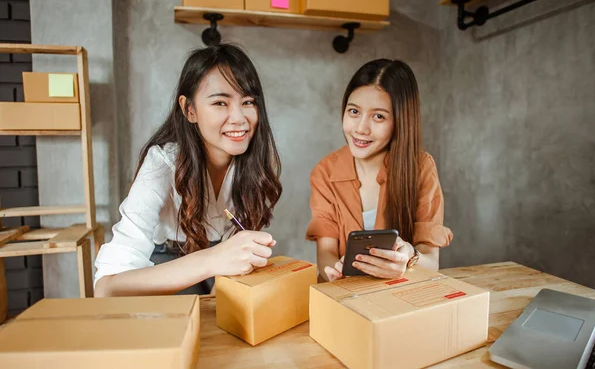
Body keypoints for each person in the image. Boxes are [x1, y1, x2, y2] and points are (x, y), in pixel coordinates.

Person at [94, 44, 282, 296]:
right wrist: (213, 260)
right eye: (220, 103)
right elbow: (107, 288)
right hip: (165, 261)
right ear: (189, 109)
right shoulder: (162, 163)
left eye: (248, 102)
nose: (239, 118)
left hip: (221, 263)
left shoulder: (252, 161)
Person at [307, 59, 453, 282]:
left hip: (398, 299)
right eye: (354, 111)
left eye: (379, 116)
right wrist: (334, 274)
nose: (361, 129)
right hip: (344, 298)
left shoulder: (421, 168)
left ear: (400, 121)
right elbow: (326, 252)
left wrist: (409, 258)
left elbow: (431, 262)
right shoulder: (325, 172)